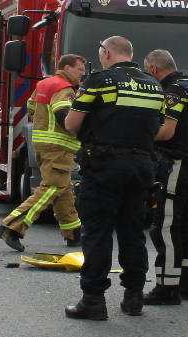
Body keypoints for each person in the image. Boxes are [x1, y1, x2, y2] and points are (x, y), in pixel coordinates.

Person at [60, 36, 166, 320]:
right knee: (133, 232)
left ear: (106, 53)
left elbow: (71, 124)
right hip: (142, 165)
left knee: (98, 233)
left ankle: (93, 301)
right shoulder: (154, 85)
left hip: (106, 164)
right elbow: (160, 128)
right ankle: (134, 297)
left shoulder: (99, 81)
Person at [0, 53, 88, 252]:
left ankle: (74, 234)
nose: (83, 73)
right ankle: (12, 227)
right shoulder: (65, 88)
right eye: (80, 69)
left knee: (62, 190)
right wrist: (82, 133)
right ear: (67, 68)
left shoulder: (44, 84)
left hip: (42, 144)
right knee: (52, 188)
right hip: (59, 147)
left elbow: (31, 109)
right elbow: (64, 114)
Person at [142, 49, 188, 305]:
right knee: (187, 225)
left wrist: (142, 135)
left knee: (165, 226)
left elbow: (167, 132)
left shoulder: (173, 92)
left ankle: (167, 288)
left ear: (154, 69)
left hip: (176, 165)